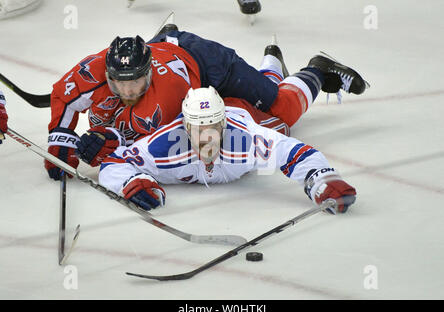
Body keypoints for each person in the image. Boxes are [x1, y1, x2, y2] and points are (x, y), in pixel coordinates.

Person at [46, 29, 367, 181]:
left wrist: (104, 143)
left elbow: (143, 144)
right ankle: (270, 67)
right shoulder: (91, 71)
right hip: (182, 71)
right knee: (258, 106)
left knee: (279, 114)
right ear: (107, 73)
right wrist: (60, 141)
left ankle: (317, 69)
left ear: (148, 73)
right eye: (120, 83)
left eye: (136, 83)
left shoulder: (163, 99)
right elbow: (64, 97)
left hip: (208, 63)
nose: (128, 90)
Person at [98, 83, 357, 215]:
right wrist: (133, 182)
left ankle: (308, 70)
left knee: (284, 112)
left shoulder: (245, 138)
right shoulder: (163, 146)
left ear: (223, 123)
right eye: (198, 128)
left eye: (213, 126)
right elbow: (114, 162)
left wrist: (323, 180)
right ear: (185, 127)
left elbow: (294, 153)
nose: (206, 136)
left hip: (242, 109)